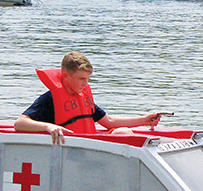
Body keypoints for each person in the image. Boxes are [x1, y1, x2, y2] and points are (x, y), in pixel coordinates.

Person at [15, 52, 165, 144]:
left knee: (123, 132)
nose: (85, 84)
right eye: (81, 79)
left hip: (91, 143)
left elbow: (109, 122)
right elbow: (20, 123)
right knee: (123, 133)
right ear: (66, 76)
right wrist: (49, 127)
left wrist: (144, 120)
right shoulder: (50, 99)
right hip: (74, 148)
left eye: (87, 79)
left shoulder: (83, 97)